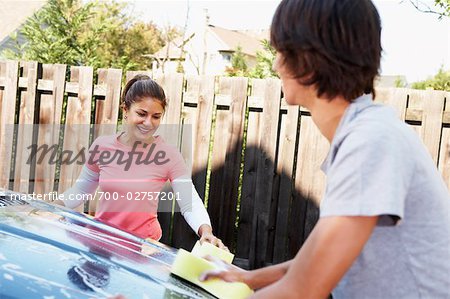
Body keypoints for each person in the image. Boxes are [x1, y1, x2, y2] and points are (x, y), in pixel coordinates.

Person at [200, 0, 450, 298]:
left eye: (281, 52)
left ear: (308, 57)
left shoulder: (370, 142)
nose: (277, 64)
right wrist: (247, 278)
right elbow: (315, 261)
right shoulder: (365, 133)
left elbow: (304, 289)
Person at [62, 75, 225, 249]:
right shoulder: (102, 146)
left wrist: (206, 231)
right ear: (125, 110)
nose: (148, 123)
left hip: (142, 248)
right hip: (102, 243)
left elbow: (189, 201)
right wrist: (50, 207)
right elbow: (81, 190)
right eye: (141, 114)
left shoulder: (168, 155)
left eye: (156, 116)